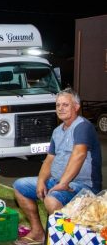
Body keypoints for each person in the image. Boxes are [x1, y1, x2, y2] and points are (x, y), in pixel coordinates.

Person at [13, 88, 102, 245]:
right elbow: (49, 159)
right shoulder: (57, 131)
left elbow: (79, 155)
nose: (60, 108)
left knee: (51, 201)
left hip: (83, 185)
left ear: (76, 107)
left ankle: (63, 239)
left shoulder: (82, 126)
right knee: (20, 186)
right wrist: (41, 180)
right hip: (57, 181)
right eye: (58, 105)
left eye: (65, 105)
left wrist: (63, 183)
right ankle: (38, 232)